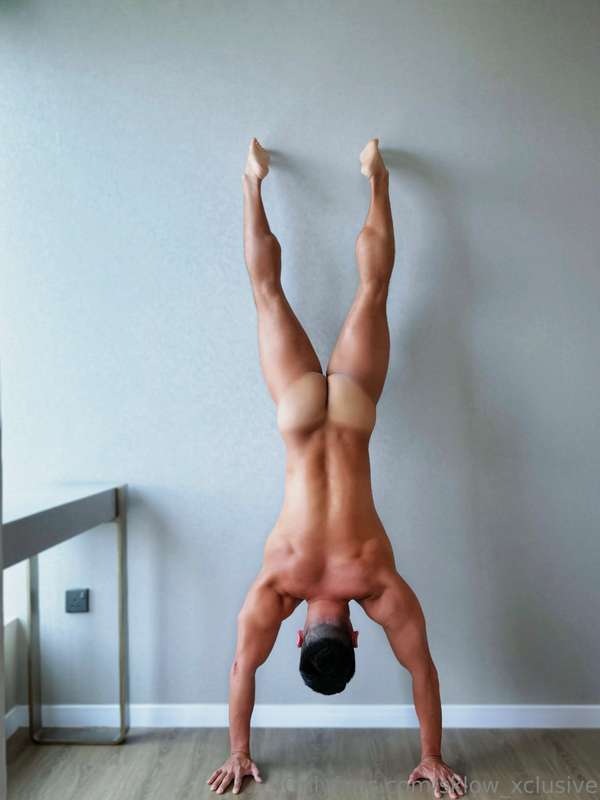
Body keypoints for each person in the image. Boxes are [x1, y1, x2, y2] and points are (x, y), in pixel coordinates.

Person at [207, 138, 465, 797]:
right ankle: (252, 181)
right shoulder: (278, 586)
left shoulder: (377, 583)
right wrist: (237, 751)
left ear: (354, 633)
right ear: (301, 638)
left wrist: (432, 756)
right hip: (298, 415)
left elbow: (424, 672)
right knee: (266, 293)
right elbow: (241, 668)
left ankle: (377, 179)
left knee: (375, 291)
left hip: (352, 415)